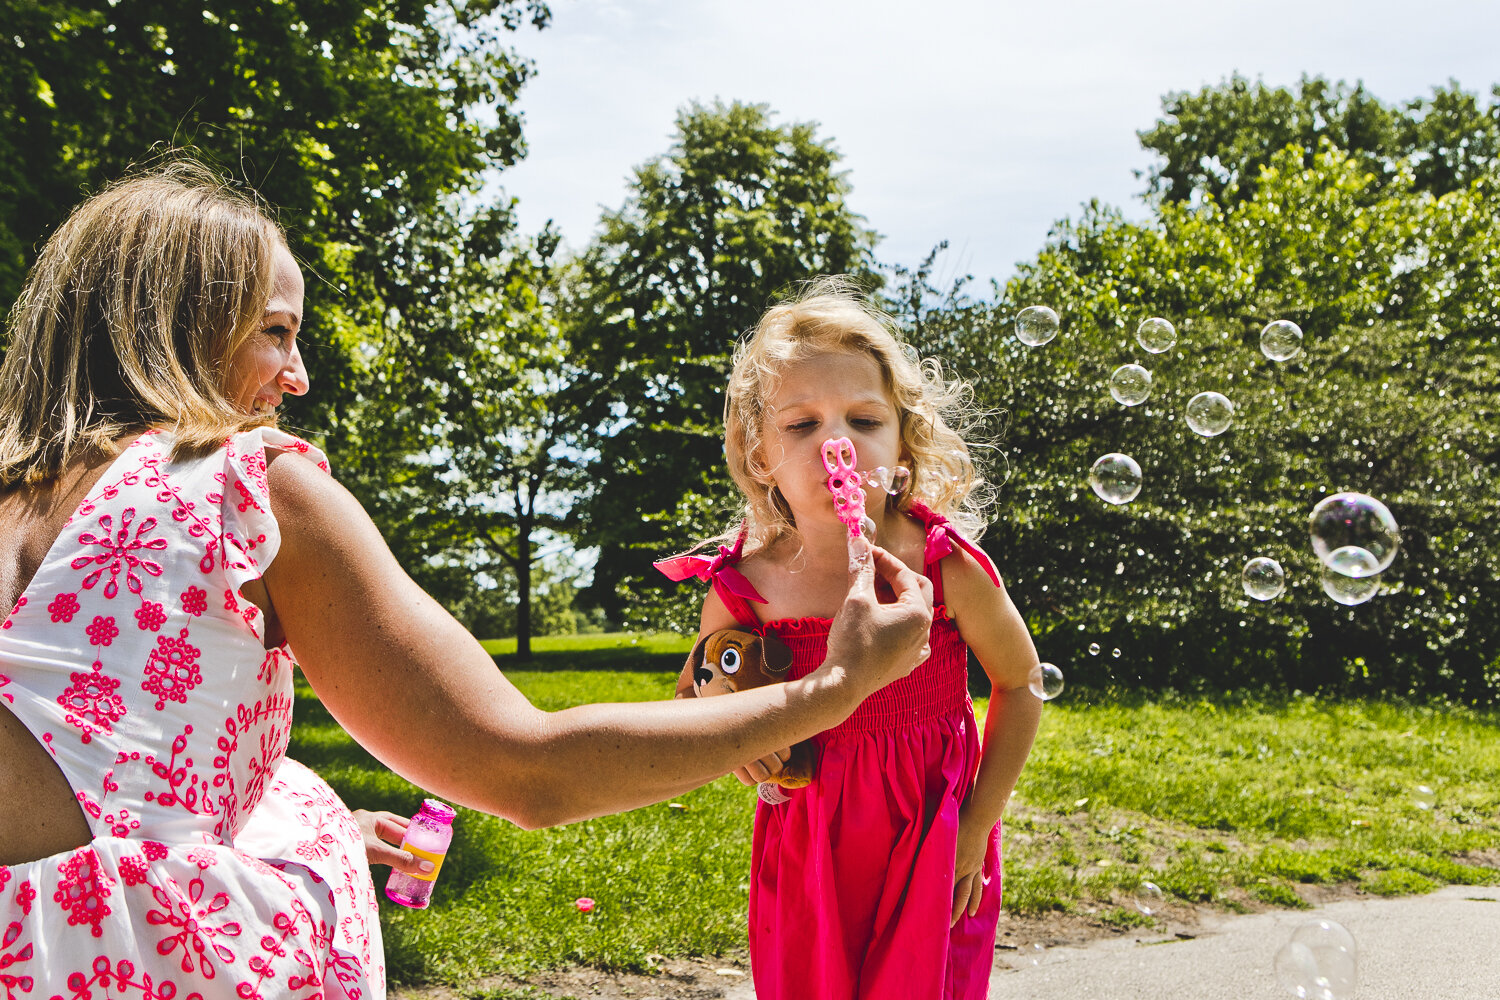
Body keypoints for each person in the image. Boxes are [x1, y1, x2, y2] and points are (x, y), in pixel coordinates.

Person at [0, 162, 934, 998]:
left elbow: (89, 752)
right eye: (276, 333)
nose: (299, 377)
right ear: (176, 327)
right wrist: (832, 687)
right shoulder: (250, 490)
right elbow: (528, 770)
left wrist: (281, 825)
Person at [658, 281, 1044, 999]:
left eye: (864, 419)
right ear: (760, 454)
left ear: (903, 447)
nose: (836, 442)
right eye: (801, 425)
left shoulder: (942, 563)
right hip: (808, 841)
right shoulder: (745, 584)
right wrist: (736, 732)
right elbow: (702, 691)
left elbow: (1020, 684)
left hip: (932, 834)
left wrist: (975, 829)